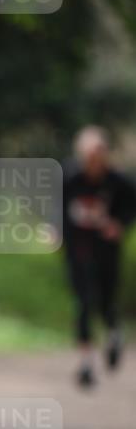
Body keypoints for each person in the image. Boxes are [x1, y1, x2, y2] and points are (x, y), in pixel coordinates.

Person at [62, 126, 136, 387]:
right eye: (89, 154)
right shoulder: (69, 177)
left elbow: (130, 207)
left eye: (98, 153)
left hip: (106, 251)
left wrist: (119, 224)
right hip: (78, 249)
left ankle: (115, 335)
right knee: (82, 302)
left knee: (105, 301)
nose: (94, 159)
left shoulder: (119, 181)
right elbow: (52, 206)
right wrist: (53, 229)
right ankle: (86, 363)